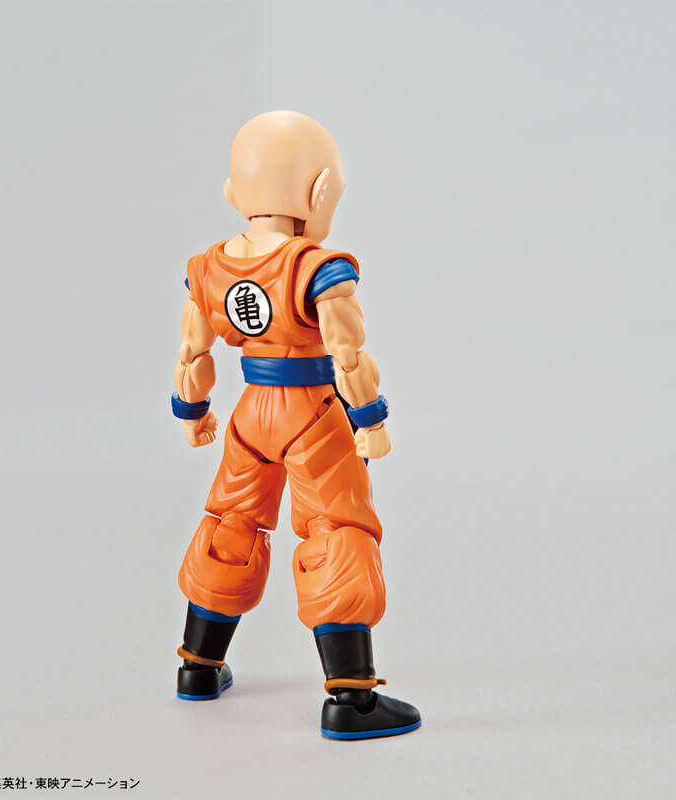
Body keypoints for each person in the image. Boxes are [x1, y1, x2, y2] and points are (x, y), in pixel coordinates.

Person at [170, 110, 421, 739]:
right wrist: (369, 419)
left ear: (234, 192)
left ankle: (198, 665)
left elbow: (192, 353)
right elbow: (348, 355)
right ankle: (352, 698)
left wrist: (193, 412)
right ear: (320, 192)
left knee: (231, 520)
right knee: (337, 528)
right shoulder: (317, 267)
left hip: (250, 414)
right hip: (310, 412)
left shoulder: (209, 268)